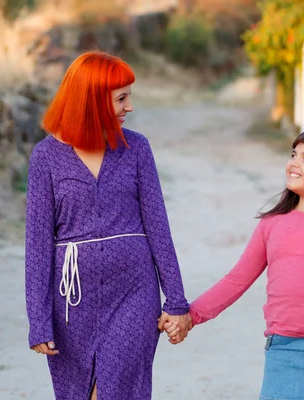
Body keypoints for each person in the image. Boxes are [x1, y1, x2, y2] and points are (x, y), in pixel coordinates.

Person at [161, 129, 304, 399]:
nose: (294, 162)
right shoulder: (271, 225)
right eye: (293, 154)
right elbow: (237, 279)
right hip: (284, 354)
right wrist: (191, 316)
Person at [25, 50, 191, 400]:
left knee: (115, 389)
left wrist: (176, 301)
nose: (130, 106)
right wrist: (38, 320)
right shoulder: (45, 156)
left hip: (135, 292)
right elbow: (38, 243)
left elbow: (158, 227)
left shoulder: (137, 149)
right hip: (71, 302)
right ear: (92, 100)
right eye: (121, 98)